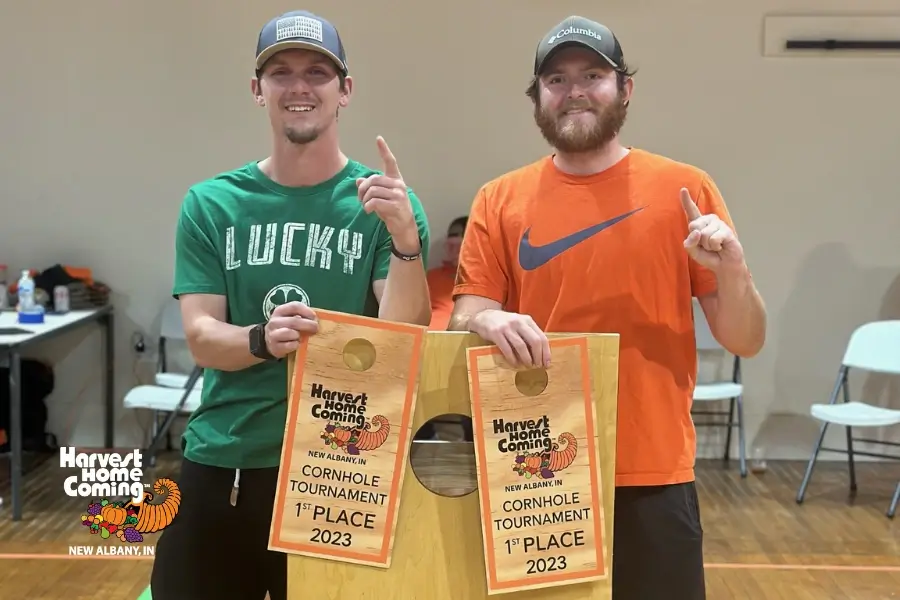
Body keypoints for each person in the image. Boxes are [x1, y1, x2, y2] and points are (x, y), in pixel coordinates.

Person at [449, 15, 766, 600]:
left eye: (592, 74)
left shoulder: (685, 189)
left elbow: (745, 338)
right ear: (537, 97)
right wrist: (487, 318)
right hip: (535, 473)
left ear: (625, 89)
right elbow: (465, 314)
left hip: (654, 472)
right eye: (556, 78)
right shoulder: (499, 199)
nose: (574, 90)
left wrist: (735, 271)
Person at [149, 10, 431, 600]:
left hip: (340, 468)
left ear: (344, 90)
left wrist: (406, 240)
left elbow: (403, 337)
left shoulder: (385, 205)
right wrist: (260, 338)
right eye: (280, 72)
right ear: (258, 90)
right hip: (229, 457)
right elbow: (200, 335)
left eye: (317, 72)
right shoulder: (211, 204)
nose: (299, 86)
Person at [426, 216, 467, 330]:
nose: (453, 248)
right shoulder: (432, 276)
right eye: (451, 236)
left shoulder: (486, 280)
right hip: (430, 339)